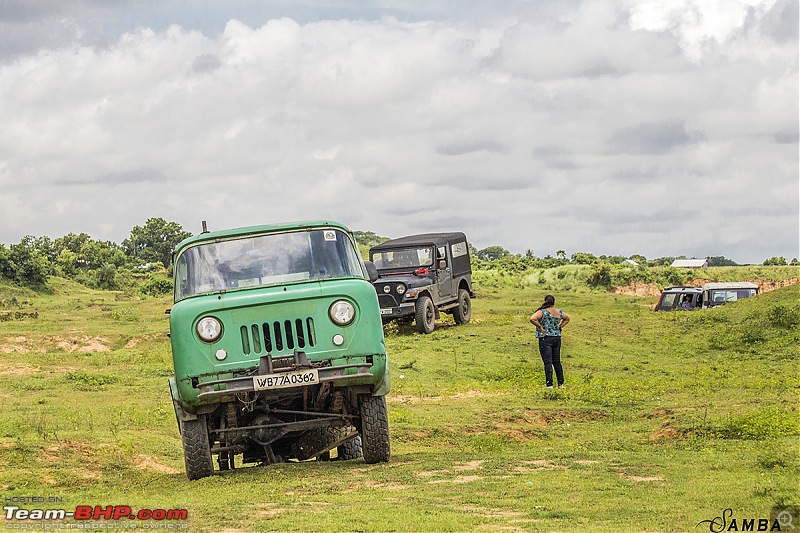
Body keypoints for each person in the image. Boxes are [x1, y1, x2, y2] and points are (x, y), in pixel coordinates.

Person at [529, 295, 570, 389]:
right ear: (553, 302)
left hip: (545, 338)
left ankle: (549, 384)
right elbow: (567, 318)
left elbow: (532, 318)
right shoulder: (558, 312)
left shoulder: (542, 312)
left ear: (545, 301)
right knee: (557, 362)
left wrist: (540, 327)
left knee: (548, 362)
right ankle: (560, 383)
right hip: (557, 338)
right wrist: (560, 326)